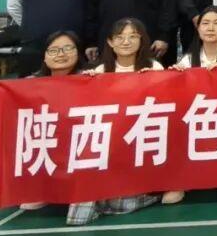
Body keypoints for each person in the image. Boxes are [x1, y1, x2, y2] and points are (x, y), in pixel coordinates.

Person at [69, 17, 165, 224]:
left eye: (133, 37)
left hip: (142, 136)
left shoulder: (154, 67)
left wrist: (155, 81)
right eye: (120, 37)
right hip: (110, 139)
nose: (126, 42)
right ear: (110, 42)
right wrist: (87, 84)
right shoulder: (99, 71)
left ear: (141, 41)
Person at [0, 30, 87, 214]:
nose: (61, 54)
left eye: (68, 48)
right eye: (54, 50)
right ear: (45, 57)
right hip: (47, 141)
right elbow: (10, 111)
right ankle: (39, 189)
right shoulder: (30, 83)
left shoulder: (90, 79)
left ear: (78, 53)